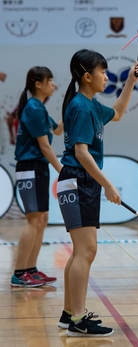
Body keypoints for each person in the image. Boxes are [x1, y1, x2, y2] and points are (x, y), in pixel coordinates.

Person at [57, 49, 138, 337]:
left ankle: (69, 313)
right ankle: (79, 319)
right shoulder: (81, 107)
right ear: (86, 76)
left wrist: (130, 81)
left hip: (80, 181)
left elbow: (117, 113)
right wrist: (108, 184)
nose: (107, 77)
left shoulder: (91, 104)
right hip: (78, 180)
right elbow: (81, 153)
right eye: (103, 72)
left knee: (81, 251)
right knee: (86, 250)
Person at [11, 67, 63, 288]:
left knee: (42, 220)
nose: (53, 84)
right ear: (38, 84)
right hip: (30, 167)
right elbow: (45, 146)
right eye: (49, 81)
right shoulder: (33, 107)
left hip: (39, 168)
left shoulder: (40, 108)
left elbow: (58, 130)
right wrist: (62, 170)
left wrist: (72, 107)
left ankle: (31, 269)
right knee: (33, 220)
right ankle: (18, 274)